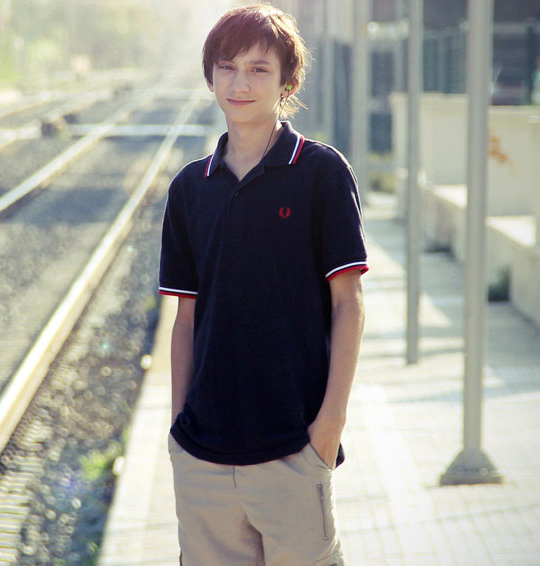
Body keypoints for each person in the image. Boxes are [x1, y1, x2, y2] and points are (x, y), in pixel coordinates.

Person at [158, 5, 368, 565]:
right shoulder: (189, 188)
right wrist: (178, 432)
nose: (240, 83)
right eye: (227, 67)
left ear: (287, 83)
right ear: (210, 78)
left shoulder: (321, 173)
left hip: (293, 451)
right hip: (202, 458)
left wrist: (328, 429)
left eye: (258, 69)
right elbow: (186, 319)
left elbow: (348, 304)